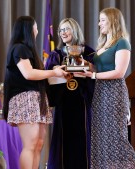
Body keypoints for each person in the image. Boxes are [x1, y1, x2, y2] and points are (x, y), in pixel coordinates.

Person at [76, 8, 135, 168]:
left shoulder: (122, 42)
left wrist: (93, 76)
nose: (99, 24)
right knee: (100, 137)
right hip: (100, 93)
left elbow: (119, 72)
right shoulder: (103, 44)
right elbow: (99, 68)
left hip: (114, 93)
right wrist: (85, 65)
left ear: (113, 20)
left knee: (117, 138)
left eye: (102, 20)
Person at [3, 16, 67, 169]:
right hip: (25, 98)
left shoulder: (28, 50)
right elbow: (28, 74)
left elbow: (36, 74)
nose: (37, 30)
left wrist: (55, 73)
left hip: (37, 98)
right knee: (30, 144)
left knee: (38, 144)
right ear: (29, 29)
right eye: (36, 27)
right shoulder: (19, 48)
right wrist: (53, 73)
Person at [44, 18, 95, 169]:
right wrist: (58, 71)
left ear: (75, 30)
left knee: (83, 142)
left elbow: (98, 72)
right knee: (62, 143)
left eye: (67, 29)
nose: (63, 33)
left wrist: (85, 65)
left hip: (82, 102)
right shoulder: (56, 55)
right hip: (63, 102)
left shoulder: (88, 52)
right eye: (61, 30)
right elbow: (48, 77)